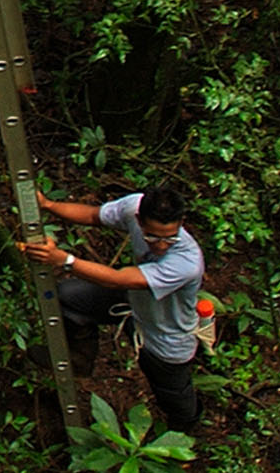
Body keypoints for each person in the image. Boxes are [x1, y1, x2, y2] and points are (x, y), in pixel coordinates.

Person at [22, 186, 206, 434]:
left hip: (165, 337)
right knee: (68, 297)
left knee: (173, 396)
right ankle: (79, 359)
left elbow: (117, 279)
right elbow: (93, 216)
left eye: (170, 238)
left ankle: (183, 434)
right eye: (152, 237)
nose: (161, 245)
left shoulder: (187, 262)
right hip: (132, 305)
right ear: (139, 219)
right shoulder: (133, 208)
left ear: (181, 223)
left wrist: (63, 260)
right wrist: (48, 205)